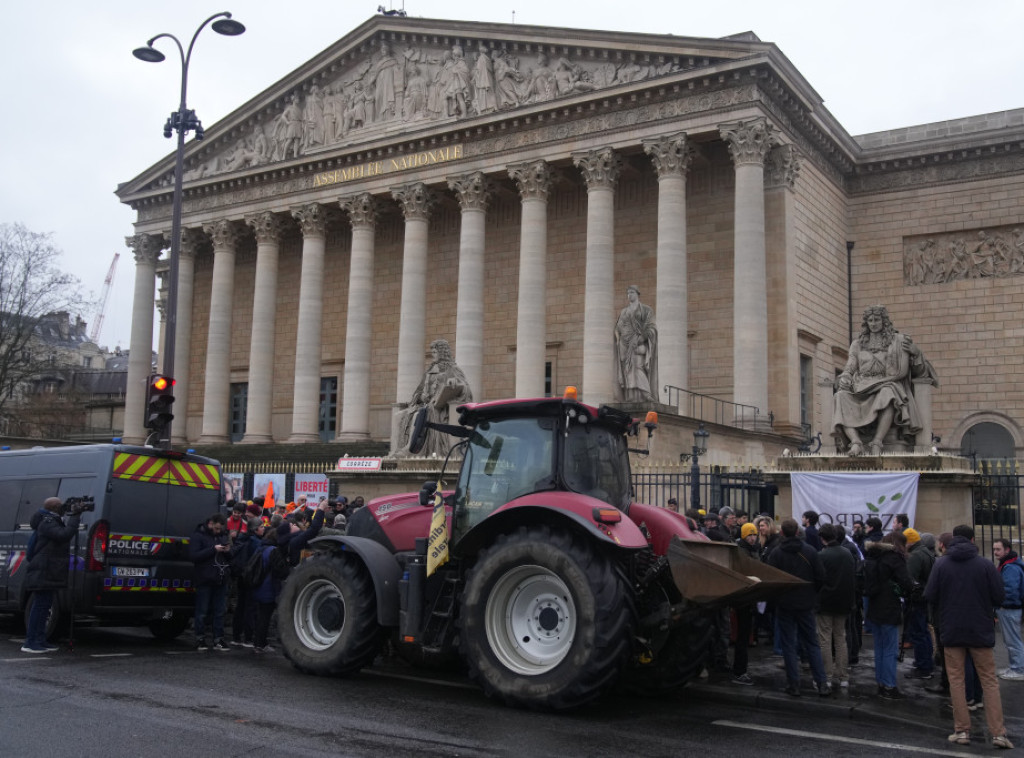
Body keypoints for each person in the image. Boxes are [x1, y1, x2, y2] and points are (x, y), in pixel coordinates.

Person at [924, 525, 1013, 748]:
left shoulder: (941, 564)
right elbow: (999, 596)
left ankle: (962, 730)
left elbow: (930, 595)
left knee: (956, 680)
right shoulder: (984, 564)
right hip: (979, 629)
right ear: (973, 540)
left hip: (952, 628)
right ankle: (998, 733)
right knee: (989, 681)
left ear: (953, 539)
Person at [832, 305, 938, 456]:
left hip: (887, 382)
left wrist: (915, 353)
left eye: (877, 319)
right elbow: (850, 366)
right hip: (861, 387)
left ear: (884, 321)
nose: (873, 323)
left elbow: (919, 372)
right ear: (866, 323)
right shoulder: (857, 344)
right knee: (840, 396)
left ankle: (877, 442)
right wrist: (845, 376)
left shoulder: (897, 341)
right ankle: (856, 442)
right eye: (870, 320)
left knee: (888, 393)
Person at [767, 519, 831, 697]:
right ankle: (822, 683)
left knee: (788, 645)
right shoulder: (810, 551)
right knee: (812, 643)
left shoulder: (776, 553)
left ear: (782, 533)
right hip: (805, 603)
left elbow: (771, 579)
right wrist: (811, 593)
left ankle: (793, 684)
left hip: (785, 603)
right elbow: (821, 577)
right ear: (797, 532)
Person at [21, 497, 83, 653]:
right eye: (61, 505)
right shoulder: (47, 522)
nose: (64, 507)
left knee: (45, 606)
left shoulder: (51, 519)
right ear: (55, 507)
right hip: (43, 569)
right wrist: (75, 516)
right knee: (39, 606)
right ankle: (30, 642)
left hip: (49, 569)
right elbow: (64, 535)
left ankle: (40, 640)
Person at [394, 338, 473, 457]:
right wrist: (421, 396)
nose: (433, 355)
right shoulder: (429, 371)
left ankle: (410, 449)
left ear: (442, 352)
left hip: (441, 409)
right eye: (432, 352)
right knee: (399, 416)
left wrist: (455, 383)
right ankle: (396, 450)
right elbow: (418, 392)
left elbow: (466, 390)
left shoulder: (453, 369)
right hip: (424, 405)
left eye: (435, 352)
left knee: (418, 415)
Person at [863, 531, 913, 699]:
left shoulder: (872, 555)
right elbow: (906, 582)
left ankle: (881, 682)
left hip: (874, 605)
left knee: (879, 647)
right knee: (890, 648)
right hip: (889, 606)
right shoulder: (894, 558)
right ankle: (889, 685)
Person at [817, 523, 856, 688]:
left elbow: (818, 579)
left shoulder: (822, 555)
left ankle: (826, 675)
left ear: (822, 538)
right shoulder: (848, 553)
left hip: (825, 602)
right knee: (841, 638)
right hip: (843, 601)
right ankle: (843, 675)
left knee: (825, 639)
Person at [189, 513, 232, 652]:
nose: (218, 532)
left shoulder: (222, 535)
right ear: (211, 524)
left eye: (220, 529)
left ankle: (218, 638)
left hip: (220, 578)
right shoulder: (198, 536)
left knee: (219, 611)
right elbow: (194, 556)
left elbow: (231, 557)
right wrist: (213, 550)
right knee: (202, 611)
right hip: (205, 578)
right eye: (217, 529)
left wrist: (227, 551)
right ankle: (200, 638)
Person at [614, 285, 658, 402]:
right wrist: (618, 338)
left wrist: (642, 338)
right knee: (627, 371)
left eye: (632, 292)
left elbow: (652, 327)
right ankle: (631, 396)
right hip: (625, 345)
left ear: (638, 294)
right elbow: (618, 328)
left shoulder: (646, 310)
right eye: (628, 293)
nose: (630, 295)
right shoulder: (624, 312)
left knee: (639, 366)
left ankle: (646, 393)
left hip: (639, 343)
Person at [903, 528, 936, 680]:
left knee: (919, 632)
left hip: (917, 599)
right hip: (924, 596)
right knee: (924, 632)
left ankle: (923, 666)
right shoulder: (926, 552)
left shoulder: (916, 555)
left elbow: (910, 579)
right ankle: (927, 663)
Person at [731, 522, 760, 686]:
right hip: (743, 597)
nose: (752, 538)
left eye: (754, 534)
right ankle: (739, 671)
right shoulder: (741, 550)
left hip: (750, 597)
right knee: (742, 635)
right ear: (743, 535)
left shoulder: (754, 549)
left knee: (745, 634)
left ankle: (740, 669)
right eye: (749, 535)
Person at [992, 537, 1024, 680]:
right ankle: (1015, 666)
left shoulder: (1010, 567)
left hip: (1009, 608)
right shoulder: (1009, 564)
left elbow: (1009, 590)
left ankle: (1018, 669)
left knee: (1012, 640)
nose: (995, 552)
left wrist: (1001, 603)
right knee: (1011, 640)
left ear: (1007, 549)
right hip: (1009, 608)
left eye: (998, 549)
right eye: (994, 549)